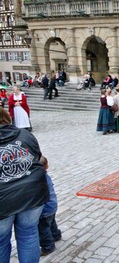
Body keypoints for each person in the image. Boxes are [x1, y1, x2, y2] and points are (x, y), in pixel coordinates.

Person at [0, 107, 49, 263]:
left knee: (1, 242)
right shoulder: (25, 135)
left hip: (4, 198)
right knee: (28, 235)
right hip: (31, 192)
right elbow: (38, 157)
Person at [38, 156, 62, 257]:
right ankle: (56, 235)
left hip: (45, 208)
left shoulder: (38, 179)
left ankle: (48, 246)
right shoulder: (46, 176)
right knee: (51, 221)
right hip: (52, 205)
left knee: (43, 228)